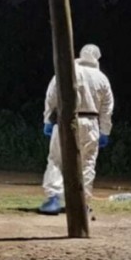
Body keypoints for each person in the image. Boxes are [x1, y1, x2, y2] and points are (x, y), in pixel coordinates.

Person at [39, 44, 114, 215]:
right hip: (91, 123)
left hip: (65, 120)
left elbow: (51, 96)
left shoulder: (66, 72)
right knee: (87, 162)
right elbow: (107, 108)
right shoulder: (102, 78)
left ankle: (54, 198)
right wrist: (105, 131)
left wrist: (48, 120)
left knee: (57, 159)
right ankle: (81, 202)